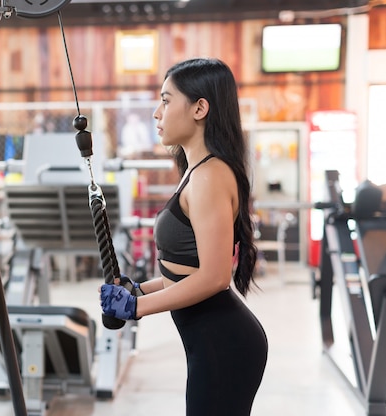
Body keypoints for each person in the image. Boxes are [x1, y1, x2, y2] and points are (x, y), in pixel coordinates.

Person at [100, 58, 268, 415]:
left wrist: (136, 307)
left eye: (166, 100)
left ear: (199, 108)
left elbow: (214, 276)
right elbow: (188, 269)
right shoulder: (196, 170)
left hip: (224, 342)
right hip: (211, 340)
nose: (156, 113)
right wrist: (140, 288)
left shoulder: (209, 176)